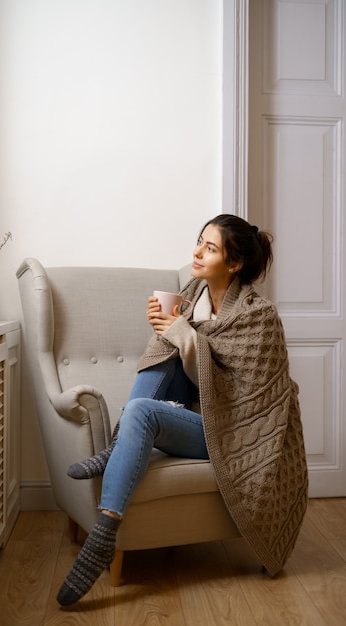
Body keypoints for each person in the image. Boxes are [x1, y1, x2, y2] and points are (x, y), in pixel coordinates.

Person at [57, 214, 308, 607]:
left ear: (234, 263)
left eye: (210, 248)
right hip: (197, 417)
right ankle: (118, 457)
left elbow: (239, 398)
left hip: (230, 431)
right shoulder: (192, 297)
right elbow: (188, 369)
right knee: (165, 354)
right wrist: (169, 332)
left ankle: (104, 533)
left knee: (143, 410)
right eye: (199, 241)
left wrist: (180, 333)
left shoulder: (260, 317)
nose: (196, 251)